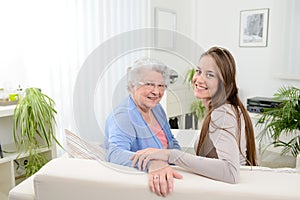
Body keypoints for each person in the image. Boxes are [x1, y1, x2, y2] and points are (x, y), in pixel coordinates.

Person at [130, 46, 258, 195]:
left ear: (224, 83)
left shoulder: (222, 113)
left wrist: (169, 155)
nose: (199, 79)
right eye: (199, 71)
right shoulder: (229, 108)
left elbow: (231, 172)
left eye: (210, 75)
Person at [104, 57, 182, 195]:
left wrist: (177, 160)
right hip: (145, 189)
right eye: (149, 84)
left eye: (161, 85)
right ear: (133, 85)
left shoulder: (157, 109)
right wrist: (152, 163)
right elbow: (115, 154)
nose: (156, 92)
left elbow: (171, 141)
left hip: (170, 177)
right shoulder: (123, 116)